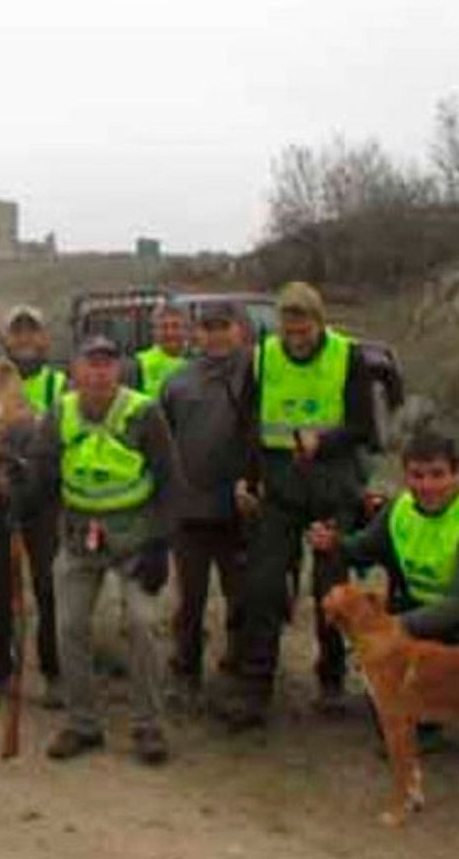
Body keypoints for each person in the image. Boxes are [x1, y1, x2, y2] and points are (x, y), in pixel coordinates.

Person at [307, 430, 459, 750]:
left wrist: (391, 628)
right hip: (429, 613)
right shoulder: (399, 510)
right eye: (417, 475)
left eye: (438, 475)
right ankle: (426, 722)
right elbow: (363, 548)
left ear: (457, 474)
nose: (427, 485)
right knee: (389, 685)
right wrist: (333, 543)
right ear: (405, 475)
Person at [217, 282, 375, 730]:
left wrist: (324, 441)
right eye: (289, 330)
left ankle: (331, 680)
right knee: (263, 586)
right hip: (279, 485)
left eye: (304, 330)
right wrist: (244, 479)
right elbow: (247, 425)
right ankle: (256, 688)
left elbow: (364, 426)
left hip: (331, 486)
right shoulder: (263, 357)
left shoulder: (348, 356)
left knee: (330, 590)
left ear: (319, 322)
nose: (296, 338)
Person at [22, 335, 183, 764]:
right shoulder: (60, 413)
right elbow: (42, 472)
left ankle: (148, 726)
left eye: (107, 364)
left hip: (136, 536)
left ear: (119, 370)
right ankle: (82, 723)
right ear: (75, 370)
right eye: (91, 364)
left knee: (143, 624)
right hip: (80, 534)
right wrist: (20, 499)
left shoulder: (144, 413)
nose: (99, 373)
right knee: (69, 625)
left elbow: (170, 481)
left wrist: (161, 544)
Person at [158, 300, 251, 710]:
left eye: (223, 327)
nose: (216, 335)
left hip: (240, 511)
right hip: (190, 511)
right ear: (197, 334)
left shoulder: (258, 375)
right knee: (190, 600)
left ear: (240, 330)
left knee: (242, 597)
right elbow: (162, 443)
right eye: (208, 328)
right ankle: (185, 670)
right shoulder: (177, 383)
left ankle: (239, 669)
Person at [0, 304, 67, 707]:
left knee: (49, 588)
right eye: (16, 332)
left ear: (44, 338)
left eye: (31, 331)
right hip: (0, 497)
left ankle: (55, 673)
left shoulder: (60, 384)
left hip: (45, 502)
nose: (24, 339)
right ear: (6, 340)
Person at [130, 301, 191, 399]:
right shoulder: (137, 364)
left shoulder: (198, 362)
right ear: (154, 331)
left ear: (186, 330)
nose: (170, 333)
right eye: (164, 327)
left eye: (175, 326)